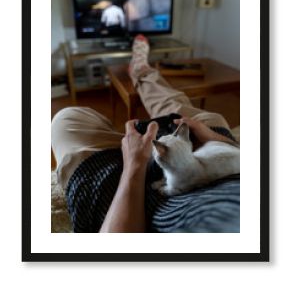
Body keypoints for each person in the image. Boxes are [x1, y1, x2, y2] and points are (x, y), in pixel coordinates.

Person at [51, 35, 240, 233]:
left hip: (133, 203)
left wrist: (134, 164)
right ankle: (141, 70)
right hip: (208, 157)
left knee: (67, 118)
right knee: (201, 116)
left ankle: (136, 86)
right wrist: (217, 140)